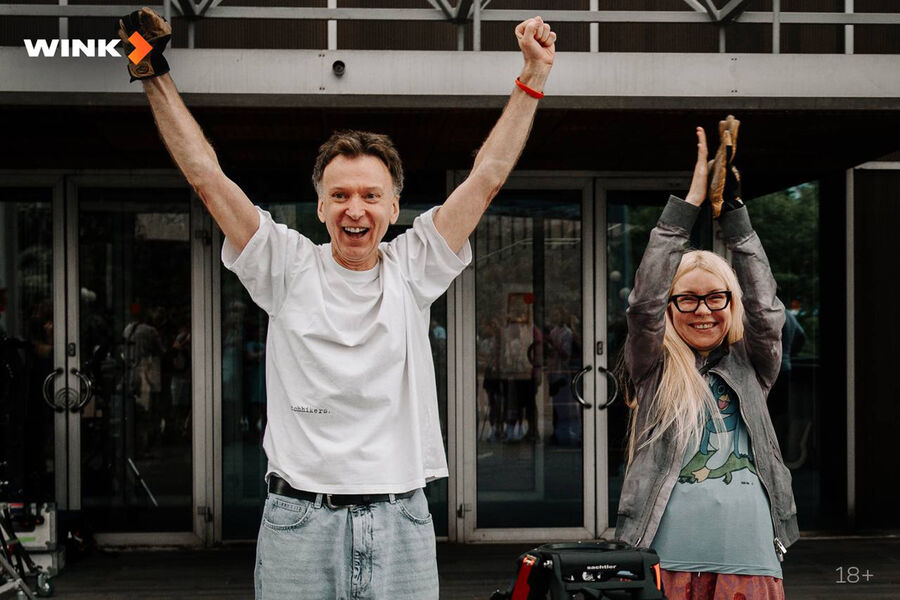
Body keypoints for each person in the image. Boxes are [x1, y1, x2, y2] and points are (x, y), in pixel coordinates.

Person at [117, 8, 556, 598]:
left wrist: (534, 74)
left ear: (394, 208)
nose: (356, 209)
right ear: (320, 206)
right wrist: (149, 67)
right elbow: (206, 176)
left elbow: (487, 177)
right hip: (300, 523)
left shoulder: (413, 267)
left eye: (371, 195)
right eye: (340, 194)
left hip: (400, 520)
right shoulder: (286, 265)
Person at [616, 126, 798, 600]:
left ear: (731, 302)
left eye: (716, 297)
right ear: (671, 305)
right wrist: (689, 206)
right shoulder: (653, 366)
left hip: (750, 555)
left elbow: (767, 310)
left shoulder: (753, 364)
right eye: (688, 299)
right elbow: (642, 305)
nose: (703, 311)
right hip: (667, 558)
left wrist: (734, 215)